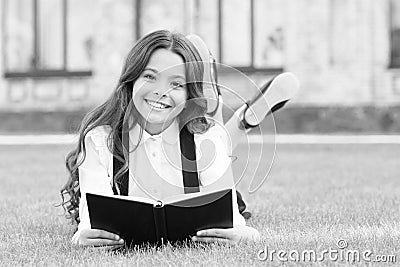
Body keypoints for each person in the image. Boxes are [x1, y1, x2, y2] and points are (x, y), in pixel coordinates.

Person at [60, 30, 260, 248]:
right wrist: (83, 237)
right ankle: (214, 99)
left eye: (176, 84)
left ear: (187, 94)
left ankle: (213, 100)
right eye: (149, 76)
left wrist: (245, 235)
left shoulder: (204, 139)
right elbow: (91, 221)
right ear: (131, 80)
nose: (160, 92)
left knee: (218, 146)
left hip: (201, 165)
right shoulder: (100, 140)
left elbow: (232, 221)